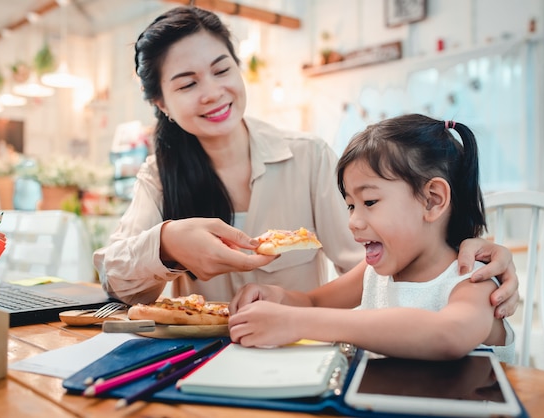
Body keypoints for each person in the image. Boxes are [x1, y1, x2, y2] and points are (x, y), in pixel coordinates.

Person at [92, 6, 519, 320]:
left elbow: (375, 267)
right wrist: (166, 244)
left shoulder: (307, 155)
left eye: (222, 70)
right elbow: (114, 278)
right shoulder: (158, 176)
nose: (212, 92)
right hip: (192, 357)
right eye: (187, 84)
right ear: (161, 103)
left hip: (300, 350)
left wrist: (465, 253)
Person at [229, 114, 515, 362]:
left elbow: (448, 334)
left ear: (432, 200)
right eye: (351, 205)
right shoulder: (373, 273)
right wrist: (276, 297)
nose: (352, 222)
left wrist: (295, 322)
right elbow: (313, 303)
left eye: (370, 202)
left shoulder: (472, 281)